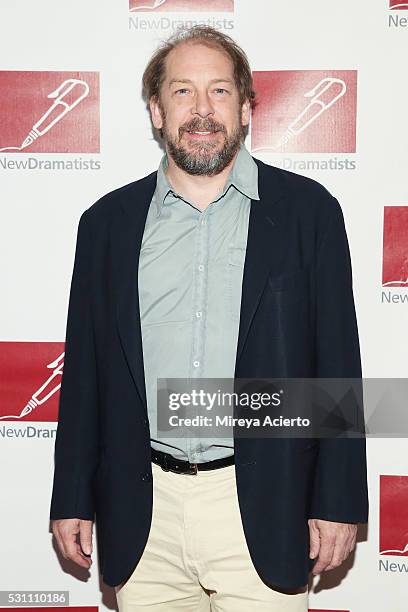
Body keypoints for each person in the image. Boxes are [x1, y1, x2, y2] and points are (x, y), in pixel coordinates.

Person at [50, 25, 369, 612]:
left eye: (219, 91)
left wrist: (339, 500)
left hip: (264, 503)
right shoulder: (106, 226)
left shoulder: (309, 214)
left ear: (246, 108)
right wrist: (71, 495)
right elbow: (87, 373)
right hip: (142, 510)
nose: (202, 110)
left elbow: (336, 365)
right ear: (156, 110)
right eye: (182, 92)